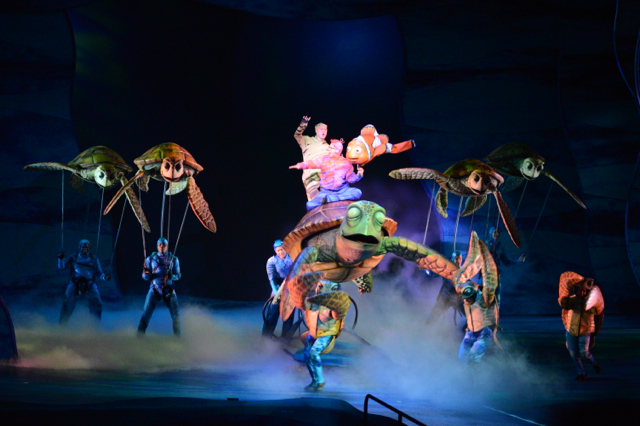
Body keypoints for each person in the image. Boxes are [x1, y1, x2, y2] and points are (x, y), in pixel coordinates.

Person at [290, 140, 364, 210]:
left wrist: (359, 175)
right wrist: (300, 165)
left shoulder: (346, 163)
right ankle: (332, 198)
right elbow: (311, 163)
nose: (328, 150)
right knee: (309, 205)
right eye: (329, 148)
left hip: (343, 191)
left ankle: (331, 199)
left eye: (331, 148)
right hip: (326, 192)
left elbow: (350, 179)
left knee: (357, 192)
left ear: (337, 150)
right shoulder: (324, 159)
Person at [558, 271, 604, 381]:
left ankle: (594, 363)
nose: (581, 292)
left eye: (583, 290)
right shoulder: (572, 300)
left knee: (584, 352)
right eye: (579, 290)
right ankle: (582, 373)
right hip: (571, 330)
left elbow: (598, 315)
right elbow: (564, 306)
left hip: (585, 330)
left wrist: (594, 332)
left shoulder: (592, 302)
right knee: (574, 353)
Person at [303, 280, 346, 391]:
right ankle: (315, 381)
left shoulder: (334, 301)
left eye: (320, 286)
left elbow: (337, 315)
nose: (318, 288)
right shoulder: (317, 300)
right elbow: (308, 307)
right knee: (307, 354)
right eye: (318, 285)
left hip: (326, 333)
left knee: (313, 353)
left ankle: (320, 380)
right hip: (315, 331)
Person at [137, 238, 182, 337]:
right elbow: (145, 277)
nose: (162, 246)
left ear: (167, 246)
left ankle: (178, 338)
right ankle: (139, 337)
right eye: (160, 245)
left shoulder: (173, 259)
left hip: (169, 289)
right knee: (146, 314)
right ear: (157, 246)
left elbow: (178, 275)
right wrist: (146, 273)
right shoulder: (151, 259)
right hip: (155, 289)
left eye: (164, 245)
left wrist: (171, 276)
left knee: (176, 316)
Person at [58, 239, 109, 324]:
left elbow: (99, 273)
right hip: (75, 283)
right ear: (79, 247)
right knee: (67, 302)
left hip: (90, 284)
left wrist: (104, 277)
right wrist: (60, 259)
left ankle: (95, 325)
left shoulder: (94, 258)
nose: (85, 248)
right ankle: (62, 324)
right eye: (83, 247)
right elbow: (62, 267)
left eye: (87, 247)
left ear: (89, 248)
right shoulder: (73, 257)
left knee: (97, 303)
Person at [483, 226, 525, 307]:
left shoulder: (500, 247)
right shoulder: (486, 245)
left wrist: (518, 260)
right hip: (487, 275)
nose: (497, 234)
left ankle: (496, 312)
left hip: (496, 275)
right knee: (486, 296)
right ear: (490, 234)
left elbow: (506, 262)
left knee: (497, 296)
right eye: (495, 232)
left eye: (498, 232)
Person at [458, 281, 498, 363]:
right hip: (470, 332)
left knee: (473, 357)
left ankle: (474, 370)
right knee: (462, 356)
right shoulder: (466, 301)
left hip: (484, 333)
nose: (467, 300)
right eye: (465, 298)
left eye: (469, 298)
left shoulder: (483, 300)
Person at [294, 116, 332, 201]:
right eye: (321, 129)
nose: (323, 131)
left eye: (325, 129)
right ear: (316, 130)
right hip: (311, 176)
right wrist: (303, 124)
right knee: (316, 201)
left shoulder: (329, 146)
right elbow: (297, 135)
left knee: (329, 201)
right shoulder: (307, 140)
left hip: (326, 176)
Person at [262, 239, 294, 339]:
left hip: (291, 288)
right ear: (275, 251)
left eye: (282, 249)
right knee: (272, 314)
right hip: (278, 288)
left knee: (288, 315)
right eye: (278, 250)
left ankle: (286, 339)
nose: (280, 252)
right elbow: (271, 279)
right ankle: (266, 337)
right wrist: (276, 293)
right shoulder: (271, 261)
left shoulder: (293, 258)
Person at [426, 250, 464, 325]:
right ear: (453, 259)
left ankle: (472, 327)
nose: (458, 261)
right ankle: (427, 326)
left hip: (458, 297)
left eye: (460, 259)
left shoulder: (464, 272)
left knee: (469, 311)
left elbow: (468, 283)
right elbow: (434, 273)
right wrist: (427, 268)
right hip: (446, 296)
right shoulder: (447, 269)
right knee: (435, 313)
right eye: (456, 259)